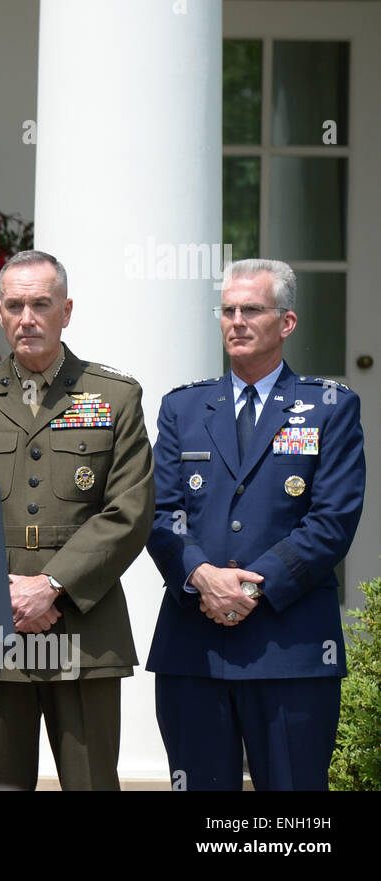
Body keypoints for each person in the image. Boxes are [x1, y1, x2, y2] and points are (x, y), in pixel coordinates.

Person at [0, 249, 154, 790]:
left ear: (67, 311)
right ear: (0, 312)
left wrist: (50, 586)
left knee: (92, 783)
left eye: (41, 304)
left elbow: (130, 510)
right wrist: (5, 594)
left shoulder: (114, 396)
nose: (26, 318)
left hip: (83, 628)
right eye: (14, 305)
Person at [146, 259, 364, 791]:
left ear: (286, 323)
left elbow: (332, 521)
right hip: (194, 647)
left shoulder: (328, 407)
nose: (237, 321)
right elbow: (158, 511)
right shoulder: (183, 407)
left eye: (252, 310)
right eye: (228, 310)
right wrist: (201, 575)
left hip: (289, 649)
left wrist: (246, 585)